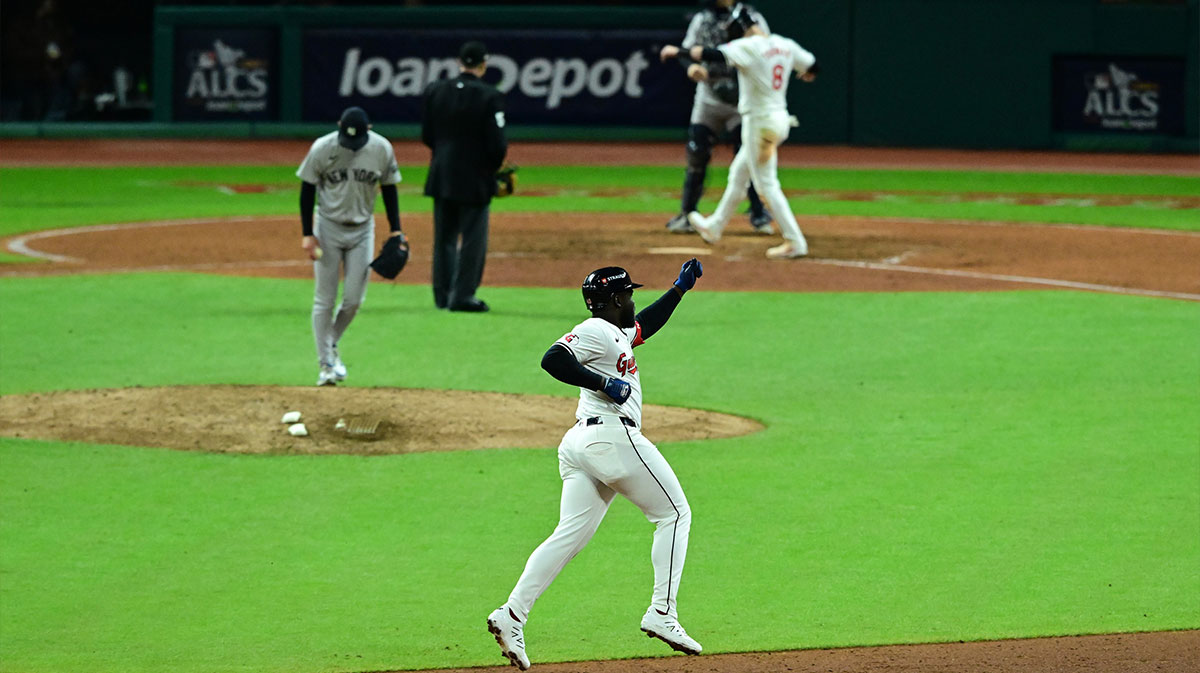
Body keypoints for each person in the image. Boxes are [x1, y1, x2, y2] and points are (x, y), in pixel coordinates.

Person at [486, 259, 706, 671]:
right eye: (630, 295)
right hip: (611, 437)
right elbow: (553, 359)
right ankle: (663, 612)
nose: (634, 301)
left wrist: (678, 290)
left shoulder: (614, 333)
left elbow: (644, 326)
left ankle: (511, 615)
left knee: (569, 535)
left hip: (580, 444)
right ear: (617, 298)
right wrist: (603, 383)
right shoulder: (594, 331)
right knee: (674, 514)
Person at [661, 3, 818, 259]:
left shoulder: (748, 46)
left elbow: (709, 54)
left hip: (760, 125)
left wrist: (676, 50)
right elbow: (813, 66)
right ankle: (714, 226)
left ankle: (795, 240)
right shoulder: (783, 43)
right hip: (780, 119)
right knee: (738, 173)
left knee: (767, 185)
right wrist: (807, 74)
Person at [297, 106, 405, 386]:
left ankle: (329, 342)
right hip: (328, 228)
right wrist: (308, 233)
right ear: (339, 127)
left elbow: (389, 188)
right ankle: (325, 365)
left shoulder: (382, 148)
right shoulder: (323, 148)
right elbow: (307, 188)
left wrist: (396, 229)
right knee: (324, 299)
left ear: (369, 130)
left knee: (354, 299)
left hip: (362, 230)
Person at [665, 0, 773, 237]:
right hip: (709, 97)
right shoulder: (702, 19)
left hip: (742, 100)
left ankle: (758, 213)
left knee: (747, 157)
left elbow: (768, 51)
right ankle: (687, 214)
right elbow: (689, 52)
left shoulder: (751, 17)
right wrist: (691, 68)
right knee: (697, 152)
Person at [421, 40, 508, 312]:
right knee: (472, 239)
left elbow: (427, 135)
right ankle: (462, 296)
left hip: (441, 173)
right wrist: (492, 172)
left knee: (444, 238)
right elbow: (497, 145)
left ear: (459, 62)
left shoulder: (435, 90)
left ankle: (442, 295)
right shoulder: (489, 95)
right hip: (475, 176)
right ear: (483, 64)